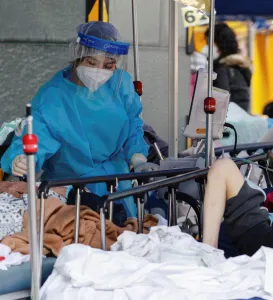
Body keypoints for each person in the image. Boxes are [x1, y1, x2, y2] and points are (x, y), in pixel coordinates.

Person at [1, 21, 157, 218]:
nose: (100, 72)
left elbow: (133, 123)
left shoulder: (121, 83)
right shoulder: (53, 98)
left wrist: (137, 155)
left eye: (108, 65)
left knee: (124, 234)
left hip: (118, 183)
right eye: (92, 63)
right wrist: (22, 160)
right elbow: (37, 135)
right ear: (77, 57)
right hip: (72, 192)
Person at [204, 23, 252, 112]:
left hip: (227, 120)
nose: (205, 47)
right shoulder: (239, 66)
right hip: (238, 118)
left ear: (219, 44)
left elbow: (221, 99)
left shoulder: (222, 69)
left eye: (209, 43)